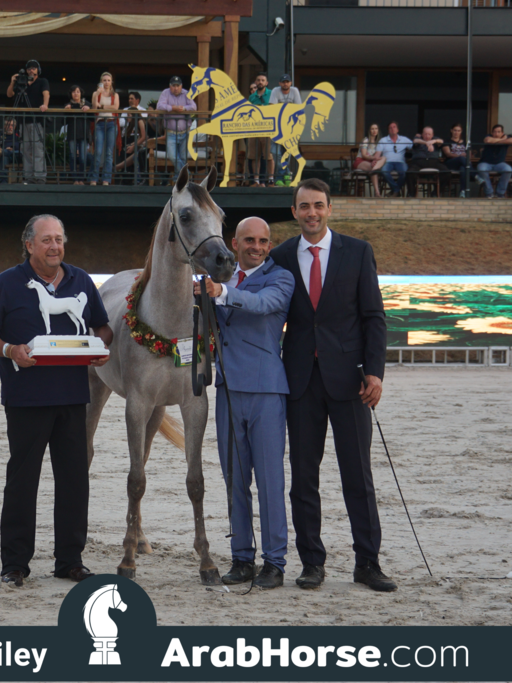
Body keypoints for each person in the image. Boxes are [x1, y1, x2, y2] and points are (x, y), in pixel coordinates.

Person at [268, 178, 396, 593]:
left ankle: (367, 563)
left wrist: (375, 372)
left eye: (318, 206)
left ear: (329, 209)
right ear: (294, 211)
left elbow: (374, 317)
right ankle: (312, 563)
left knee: (357, 475)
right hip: (300, 381)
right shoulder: (281, 256)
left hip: (351, 382)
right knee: (303, 477)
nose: (311, 213)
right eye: (304, 206)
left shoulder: (357, 252)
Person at [0, 215, 113, 587]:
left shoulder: (81, 280)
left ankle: (70, 560)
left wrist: (102, 346)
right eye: (47, 240)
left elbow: (102, 326)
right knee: (22, 480)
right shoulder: (7, 283)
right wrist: (8, 349)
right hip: (26, 397)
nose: (55, 246)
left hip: (73, 396)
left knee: (74, 480)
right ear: (29, 245)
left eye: (59, 240)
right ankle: (15, 563)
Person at [193, 217, 295, 590]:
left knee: (269, 480)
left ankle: (275, 561)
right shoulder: (217, 280)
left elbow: (261, 303)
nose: (256, 246)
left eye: (263, 241)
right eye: (249, 240)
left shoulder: (280, 278)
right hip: (229, 390)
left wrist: (219, 292)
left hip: (267, 390)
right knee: (234, 479)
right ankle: (241, 556)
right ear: (233, 244)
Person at [7, 59, 50, 184]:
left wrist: (45, 105)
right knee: (26, 150)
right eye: (29, 68)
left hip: (37, 120)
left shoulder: (42, 81)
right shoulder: (22, 82)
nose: (31, 70)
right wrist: (12, 82)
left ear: (38, 70)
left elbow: (46, 94)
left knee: (38, 149)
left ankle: (40, 177)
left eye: (34, 68)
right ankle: (29, 177)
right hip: (23, 121)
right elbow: (10, 94)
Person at [156, 76, 196, 184]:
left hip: (185, 132)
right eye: (173, 86)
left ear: (181, 86)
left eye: (178, 86)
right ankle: (186, 173)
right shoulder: (165, 93)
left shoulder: (186, 93)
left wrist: (184, 108)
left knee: (183, 157)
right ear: (170, 86)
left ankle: (179, 180)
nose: (176, 88)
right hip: (171, 132)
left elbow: (193, 107)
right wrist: (172, 108)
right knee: (172, 156)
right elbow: (159, 107)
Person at [268, 75, 302, 185]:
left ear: (291, 83)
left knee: (287, 152)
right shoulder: (275, 91)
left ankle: (281, 177)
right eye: (283, 82)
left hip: (290, 127)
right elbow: (272, 108)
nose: (285, 84)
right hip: (277, 127)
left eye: (287, 82)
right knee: (275, 152)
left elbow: (298, 108)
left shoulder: (294, 91)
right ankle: (284, 174)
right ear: (280, 83)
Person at [90, 72, 119, 186]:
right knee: (97, 151)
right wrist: (97, 94)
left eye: (108, 80)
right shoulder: (96, 93)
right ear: (101, 82)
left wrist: (101, 106)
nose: (106, 82)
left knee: (109, 153)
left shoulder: (115, 95)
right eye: (104, 80)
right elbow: (93, 107)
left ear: (111, 82)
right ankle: (94, 178)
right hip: (100, 123)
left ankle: (106, 179)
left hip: (111, 123)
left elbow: (115, 108)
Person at [245, 73, 273, 186]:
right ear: (256, 82)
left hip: (267, 128)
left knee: (268, 155)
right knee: (254, 156)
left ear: (266, 83)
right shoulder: (252, 97)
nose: (260, 82)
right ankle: (256, 180)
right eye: (258, 80)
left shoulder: (271, 94)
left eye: (262, 80)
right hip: (254, 129)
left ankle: (271, 179)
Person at [115, 92, 148, 185]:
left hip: (139, 144)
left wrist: (133, 145)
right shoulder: (130, 125)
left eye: (129, 115)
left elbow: (143, 136)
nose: (127, 117)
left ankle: (118, 168)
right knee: (126, 148)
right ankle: (126, 176)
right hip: (132, 142)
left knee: (132, 150)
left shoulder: (140, 121)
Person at [407, 126, 450, 197]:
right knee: (409, 173)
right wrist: (426, 143)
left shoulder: (435, 139)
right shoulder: (418, 138)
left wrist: (432, 141)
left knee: (447, 173)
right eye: (425, 134)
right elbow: (415, 141)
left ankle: (436, 192)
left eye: (429, 134)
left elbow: (442, 141)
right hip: (418, 162)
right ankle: (412, 193)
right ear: (422, 134)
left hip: (433, 162)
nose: (427, 136)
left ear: (432, 135)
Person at [475, 124, 512, 199]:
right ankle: (489, 193)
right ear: (492, 133)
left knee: (508, 170)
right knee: (481, 168)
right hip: (486, 162)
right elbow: (488, 140)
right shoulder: (488, 136)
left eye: (498, 132)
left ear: (502, 133)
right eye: (494, 132)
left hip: (499, 164)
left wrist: (497, 141)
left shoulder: (508, 137)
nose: (496, 134)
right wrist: (503, 140)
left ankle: (500, 193)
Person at [63, 85, 91, 185]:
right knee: (72, 157)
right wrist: (66, 111)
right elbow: (63, 121)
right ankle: (75, 179)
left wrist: (89, 108)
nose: (76, 93)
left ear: (81, 93)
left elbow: (92, 118)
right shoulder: (68, 105)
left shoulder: (86, 104)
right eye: (74, 91)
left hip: (83, 133)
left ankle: (81, 179)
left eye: (78, 91)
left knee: (83, 158)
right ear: (71, 94)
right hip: (72, 134)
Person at [377, 121, 410, 196]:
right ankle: (396, 190)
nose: (392, 129)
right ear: (388, 130)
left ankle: (394, 191)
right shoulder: (383, 140)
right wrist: (375, 160)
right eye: (390, 128)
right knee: (384, 171)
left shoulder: (404, 139)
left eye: (394, 127)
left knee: (405, 172)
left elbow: (415, 146)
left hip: (400, 162)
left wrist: (419, 138)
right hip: (388, 162)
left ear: (397, 129)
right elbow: (378, 154)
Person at [354, 123, 385, 196]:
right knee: (373, 168)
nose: (374, 130)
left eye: (376, 129)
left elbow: (380, 155)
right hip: (361, 161)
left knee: (383, 158)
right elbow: (364, 155)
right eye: (372, 129)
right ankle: (377, 192)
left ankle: (375, 169)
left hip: (373, 162)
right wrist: (373, 158)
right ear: (369, 131)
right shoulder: (365, 140)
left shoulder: (379, 143)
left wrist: (376, 159)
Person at [0, 117, 21, 184]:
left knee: (18, 153)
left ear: (15, 126)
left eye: (12, 125)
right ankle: (4, 181)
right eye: (8, 125)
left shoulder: (19, 135)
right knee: (4, 155)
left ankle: (3, 181)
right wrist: (4, 150)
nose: (10, 127)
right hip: (4, 156)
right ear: (4, 126)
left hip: (17, 155)